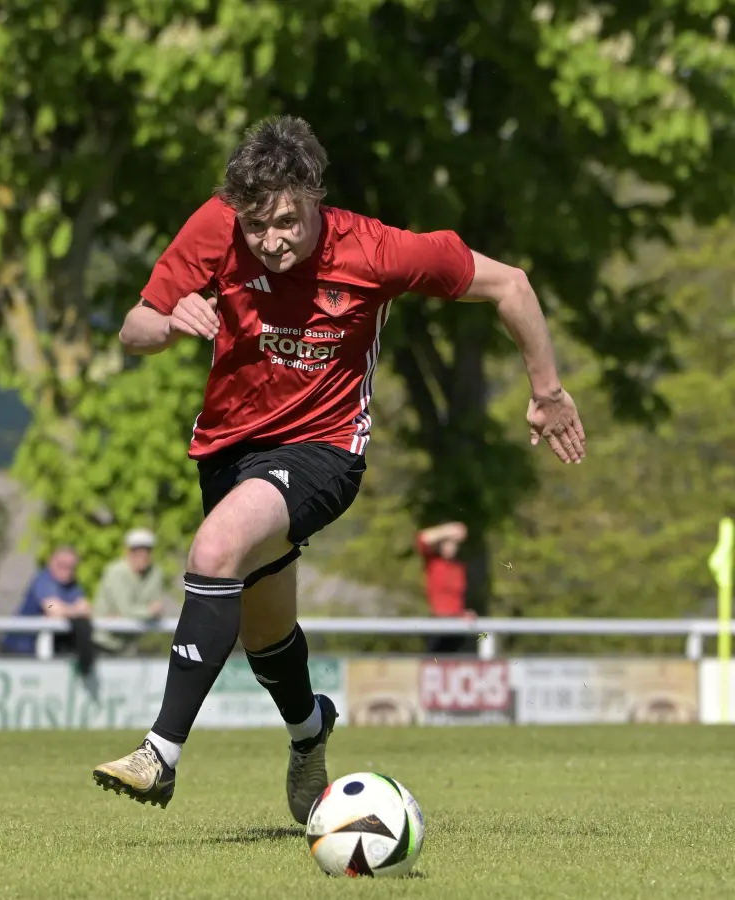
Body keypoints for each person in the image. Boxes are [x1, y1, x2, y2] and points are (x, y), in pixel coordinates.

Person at [92, 115, 585, 824]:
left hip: (325, 449)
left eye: (288, 222)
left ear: (314, 197)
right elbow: (134, 326)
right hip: (228, 451)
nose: (272, 241)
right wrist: (170, 325)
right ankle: (309, 730)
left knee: (216, 548)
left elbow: (510, 285)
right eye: (257, 227)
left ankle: (159, 753)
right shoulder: (215, 225)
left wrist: (546, 391)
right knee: (263, 631)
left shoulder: (377, 250)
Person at [1, 546, 100, 697]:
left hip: (42, 652)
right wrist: (70, 609)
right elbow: (51, 606)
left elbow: (86, 608)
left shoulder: (72, 586)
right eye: (62, 565)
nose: (66, 570)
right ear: (51, 562)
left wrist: (66, 609)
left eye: (71, 567)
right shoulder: (43, 580)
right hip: (19, 650)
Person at [91, 528, 169, 656]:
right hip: (102, 642)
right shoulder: (116, 571)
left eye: (147, 550)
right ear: (128, 552)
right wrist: (147, 611)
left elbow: (157, 608)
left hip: (130, 644)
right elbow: (127, 610)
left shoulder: (156, 573)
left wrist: (138, 613)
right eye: (137, 551)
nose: (143, 556)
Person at [416, 521, 473, 654]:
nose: (450, 547)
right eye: (446, 543)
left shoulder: (459, 567)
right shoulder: (434, 563)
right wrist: (448, 530)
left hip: (457, 625)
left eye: (453, 543)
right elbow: (422, 538)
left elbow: (457, 598)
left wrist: (464, 613)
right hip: (437, 623)